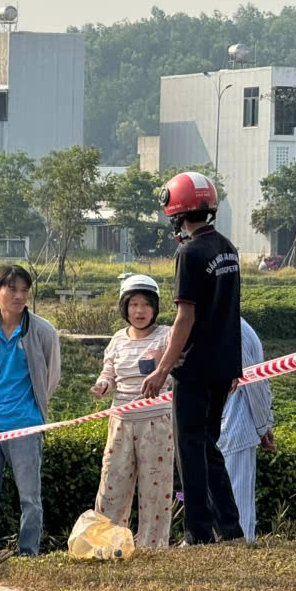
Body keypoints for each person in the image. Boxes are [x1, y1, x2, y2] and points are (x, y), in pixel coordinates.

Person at [142, 171, 244, 544]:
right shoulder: (227, 248)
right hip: (222, 366)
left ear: (176, 211)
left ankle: (198, 532)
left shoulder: (190, 252)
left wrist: (162, 369)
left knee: (190, 449)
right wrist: (234, 364)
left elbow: (186, 317)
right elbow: (231, 312)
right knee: (208, 446)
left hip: (195, 367)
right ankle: (229, 529)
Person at [0, 264, 61, 558]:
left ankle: (28, 552)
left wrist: (32, 406)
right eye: (12, 289)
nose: (19, 296)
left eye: (24, 290)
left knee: (30, 498)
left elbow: (51, 376)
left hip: (26, 424)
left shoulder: (43, 331)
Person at [91, 274, 174, 549]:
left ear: (155, 308)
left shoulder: (167, 336)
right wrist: (103, 385)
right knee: (112, 486)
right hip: (120, 422)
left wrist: (162, 363)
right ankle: (109, 546)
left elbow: (178, 365)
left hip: (157, 423)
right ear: (124, 307)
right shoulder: (117, 339)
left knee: (155, 490)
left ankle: (153, 548)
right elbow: (109, 372)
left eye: (146, 305)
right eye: (134, 304)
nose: (139, 311)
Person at [219, 318, 275, 541]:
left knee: (235, 497)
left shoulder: (232, 329)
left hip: (235, 424)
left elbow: (254, 383)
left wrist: (263, 426)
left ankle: (239, 547)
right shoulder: (228, 324)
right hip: (227, 425)